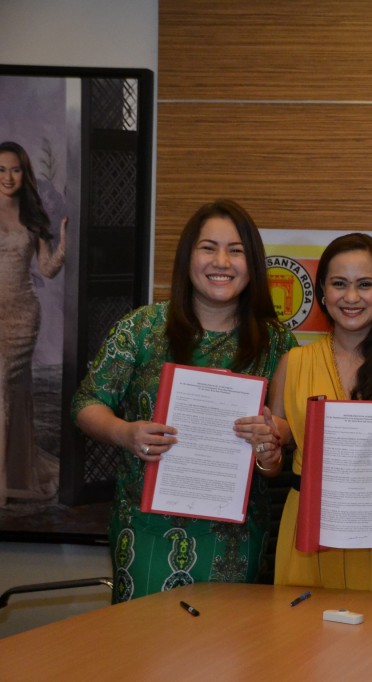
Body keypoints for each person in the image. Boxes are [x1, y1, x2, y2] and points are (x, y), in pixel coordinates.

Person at [72, 199, 296, 603]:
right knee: (145, 652)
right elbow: (87, 403)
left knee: (229, 658)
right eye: (208, 247)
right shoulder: (141, 328)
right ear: (188, 257)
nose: (221, 261)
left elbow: (281, 435)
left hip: (234, 537)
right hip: (147, 528)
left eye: (236, 250)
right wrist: (125, 433)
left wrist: (270, 443)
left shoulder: (277, 342)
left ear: (254, 263)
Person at [271, 233, 372, 591]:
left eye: (365, 285)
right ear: (323, 292)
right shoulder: (294, 363)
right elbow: (273, 457)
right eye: (339, 284)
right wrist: (265, 446)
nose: (351, 297)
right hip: (305, 534)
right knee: (298, 643)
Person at [0, 141, 68, 505]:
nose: (8, 177)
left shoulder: (31, 215)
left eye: (15, 169)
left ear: (24, 173)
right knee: (7, 393)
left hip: (22, 315)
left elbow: (46, 270)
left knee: (3, 390)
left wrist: (63, 248)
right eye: (1, 170)